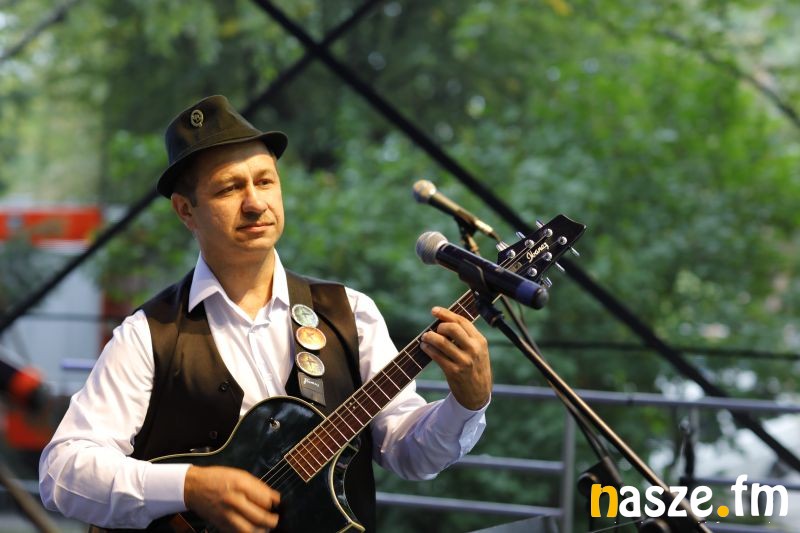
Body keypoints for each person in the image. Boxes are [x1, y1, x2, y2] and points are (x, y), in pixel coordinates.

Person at [38, 95, 492, 532]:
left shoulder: (350, 313)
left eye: (265, 181)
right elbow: (62, 471)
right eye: (229, 188)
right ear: (186, 211)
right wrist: (189, 487)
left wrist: (466, 404)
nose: (255, 202)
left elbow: (411, 455)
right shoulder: (148, 334)